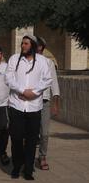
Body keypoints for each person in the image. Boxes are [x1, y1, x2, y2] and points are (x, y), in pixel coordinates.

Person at [5, 35, 52, 180]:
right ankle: (17, 166)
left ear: (32, 45)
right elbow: (8, 78)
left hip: (34, 106)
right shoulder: (14, 59)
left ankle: (28, 170)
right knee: (17, 138)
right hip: (16, 105)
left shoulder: (43, 61)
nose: (23, 46)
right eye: (22, 44)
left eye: (26, 44)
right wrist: (22, 91)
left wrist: (34, 93)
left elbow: (47, 79)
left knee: (32, 140)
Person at [36, 37, 60, 171]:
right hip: (29, 102)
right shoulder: (25, 62)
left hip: (44, 101)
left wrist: (55, 103)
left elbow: (54, 83)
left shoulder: (48, 63)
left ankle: (42, 156)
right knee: (28, 133)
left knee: (44, 132)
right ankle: (25, 157)